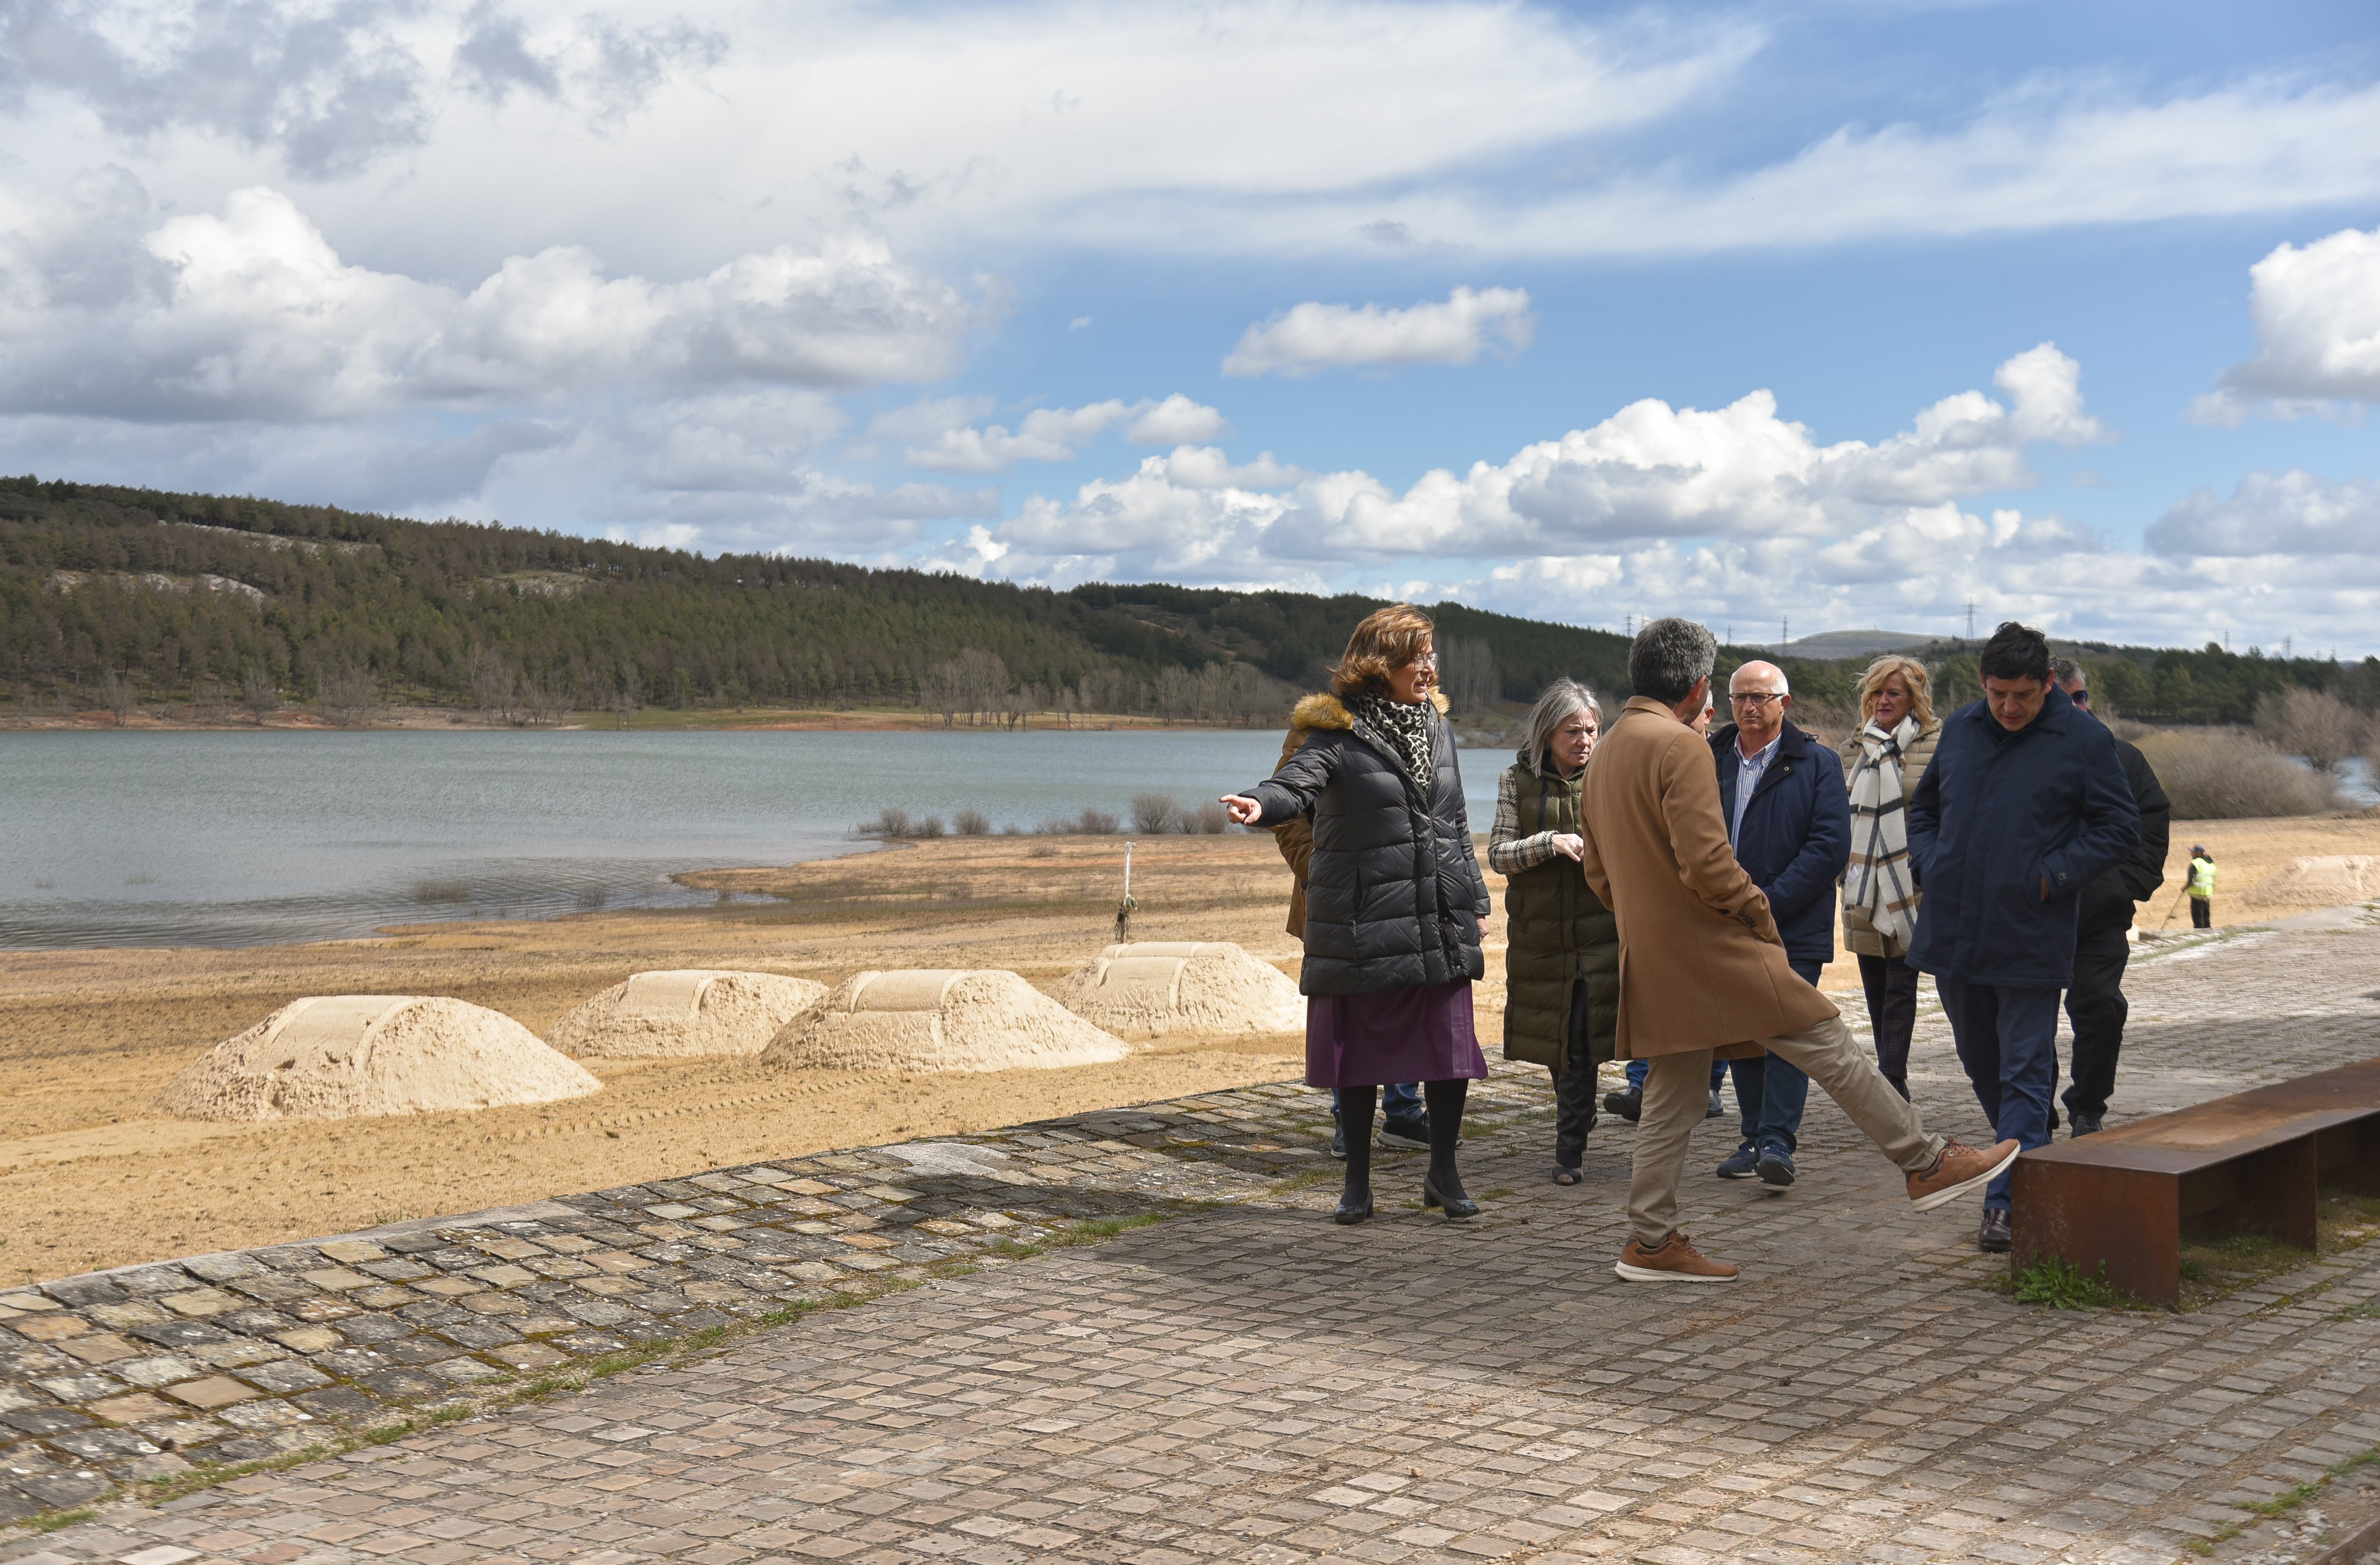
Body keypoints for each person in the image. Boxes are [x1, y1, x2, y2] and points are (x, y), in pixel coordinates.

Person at [1577, 617, 2018, 1282]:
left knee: (1671, 1093)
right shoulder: (1680, 746)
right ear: (1700, 686)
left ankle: (1649, 1239)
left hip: (1655, 951)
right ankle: (1926, 1161)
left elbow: (1598, 873)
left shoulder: (1606, 748)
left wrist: (1648, 922)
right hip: (1713, 946)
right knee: (1826, 1039)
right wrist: (1756, 912)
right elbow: (1707, 863)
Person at [1223, 604, 1493, 1225]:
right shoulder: (1334, 733)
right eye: (1417, 655)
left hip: (1437, 909)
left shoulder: (1435, 725)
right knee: (1362, 1056)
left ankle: (1443, 1174)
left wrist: (1474, 900)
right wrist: (1258, 805)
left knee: (1447, 1050)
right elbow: (1294, 784)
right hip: (1366, 918)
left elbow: (1453, 821)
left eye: (1430, 655)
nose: (1429, 667)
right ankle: (1357, 1184)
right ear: (1382, 663)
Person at [1908, 622, 2141, 1254]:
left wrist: (2051, 877)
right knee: (1981, 1062)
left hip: (2030, 933)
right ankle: (2029, 1137)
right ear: (1982, 684)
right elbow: (1923, 810)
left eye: (2022, 696)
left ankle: (2006, 1202)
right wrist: (1931, 861)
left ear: (2047, 687)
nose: (2009, 708)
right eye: (1997, 694)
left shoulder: (2084, 740)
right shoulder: (1958, 728)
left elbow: (2120, 828)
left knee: (2022, 1069)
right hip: (1953, 929)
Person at [1706, 661, 1849, 1188]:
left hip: (1791, 924)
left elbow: (1829, 847)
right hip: (1725, 923)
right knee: (1742, 1033)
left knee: (1787, 1033)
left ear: (1783, 703)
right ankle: (1751, 1137)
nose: (1748, 707)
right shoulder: (1710, 758)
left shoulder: (1817, 763)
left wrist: (1765, 902)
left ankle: (1777, 1144)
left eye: (1760, 697)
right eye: (1740, 697)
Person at [1269, 716, 1429, 1157]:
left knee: (1405, 999)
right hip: (1338, 905)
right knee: (1347, 1012)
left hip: (1403, 896)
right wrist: (1326, 875)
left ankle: (1403, 1114)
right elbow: (1289, 819)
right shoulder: (1316, 727)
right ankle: (1349, 1121)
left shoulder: (1422, 723)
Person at [1490, 680, 1615, 1184]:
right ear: (1547, 732)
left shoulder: (1610, 777)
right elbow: (1499, 855)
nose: (1585, 740)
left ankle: (1569, 1151)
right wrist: (1549, 842)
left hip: (1599, 937)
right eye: (1573, 731)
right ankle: (1578, 1114)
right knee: (1556, 1044)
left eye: (1592, 730)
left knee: (1582, 1040)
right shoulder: (1514, 780)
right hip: (1539, 938)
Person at [2049, 659, 2172, 1138]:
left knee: (2100, 1007)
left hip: (2101, 918)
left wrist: (2124, 886)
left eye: (2080, 696)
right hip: (2034, 916)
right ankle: (2035, 1112)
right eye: (2065, 699)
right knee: (2027, 1024)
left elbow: (2153, 823)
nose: (2076, 706)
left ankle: (2087, 1107)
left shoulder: (2124, 758)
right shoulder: (2023, 760)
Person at [1839, 656, 1943, 1098]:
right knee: (1876, 989)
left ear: (1914, 699)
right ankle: (1890, 1079)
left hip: (1911, 883)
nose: (1883, 700)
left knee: (1902, 984)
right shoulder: (1852, 748)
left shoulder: (1938, 745)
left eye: (1894, 693)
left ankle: (1892, 1080)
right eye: (1877, 692)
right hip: (1863, 882)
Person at [2188, 845, 2217, 929]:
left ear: (2199, 853)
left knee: (2198, 919)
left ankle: (2199, 937)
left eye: (2193, 852)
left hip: (2197, 894)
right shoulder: (2211, 864)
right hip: (2208, 894)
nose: (2191, 854)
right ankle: (2208, 936)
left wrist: (2184, 888)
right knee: (2206, 918)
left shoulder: (2195, 863)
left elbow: (2191, 881)